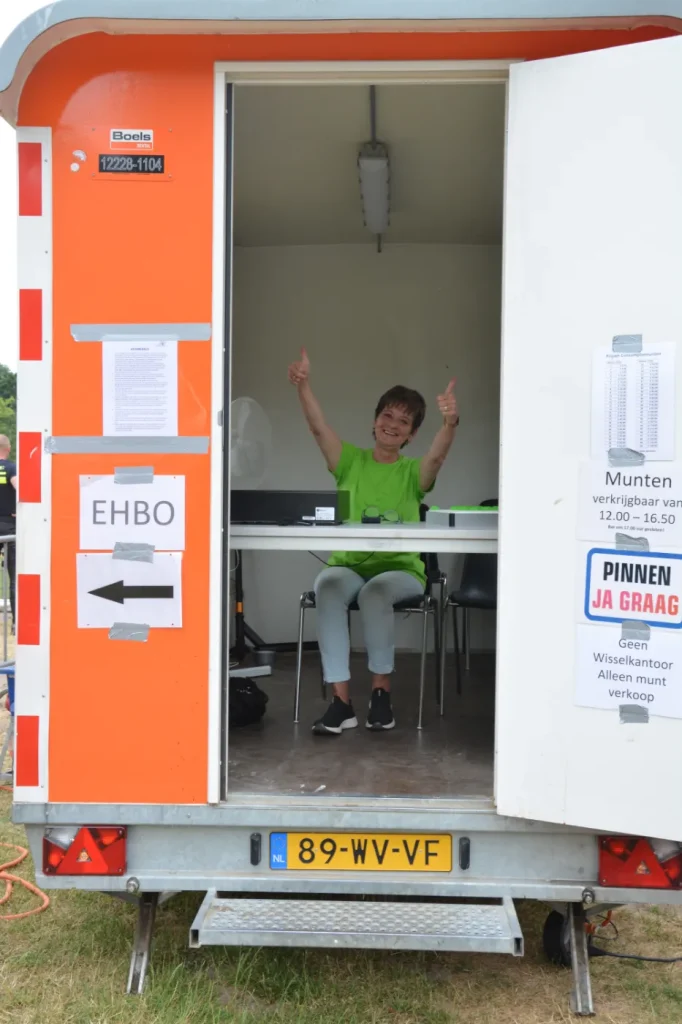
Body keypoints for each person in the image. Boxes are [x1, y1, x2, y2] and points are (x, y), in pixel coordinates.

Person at [288, 348, 459, 735]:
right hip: (349, 565)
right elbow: (318, 428)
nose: (393, 425)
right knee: (328, 586)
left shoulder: (413, 473)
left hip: (401, 571)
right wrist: (303, 386)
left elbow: (437, 458)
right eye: (387, 415)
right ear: (375, 420)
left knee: (375, 593)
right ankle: (341, 703)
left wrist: (450, 422)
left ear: (412, 434)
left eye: (404, 421)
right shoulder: (349, 461)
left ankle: (381, 695)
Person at [0, 436, 16, 631]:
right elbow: (20, 489)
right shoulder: (12, 468)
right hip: (8, 526)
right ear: (8, 448)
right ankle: (16, 624)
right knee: (14, 578)